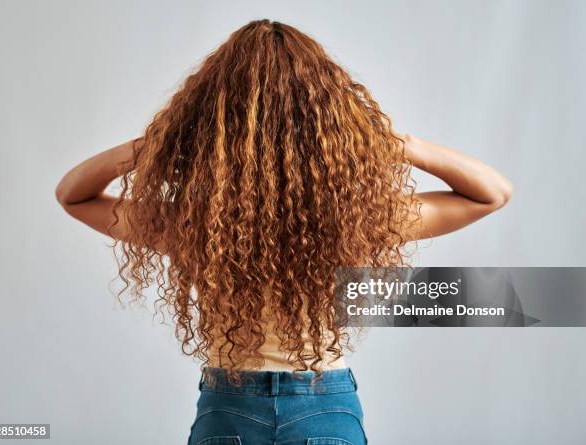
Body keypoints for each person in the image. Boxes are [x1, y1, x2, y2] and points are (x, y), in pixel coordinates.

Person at [55, 19, 512, 445]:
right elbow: (490, 193)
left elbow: (73, 195)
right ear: (325, 125)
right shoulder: (356, 220)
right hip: (325, 407)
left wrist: (154, 143)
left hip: (229, 410)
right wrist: (394, 142)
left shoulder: (191, 224)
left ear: (215, 125)